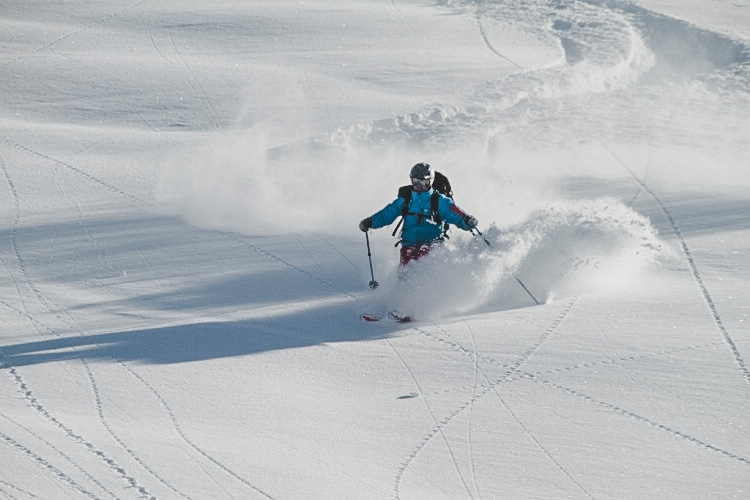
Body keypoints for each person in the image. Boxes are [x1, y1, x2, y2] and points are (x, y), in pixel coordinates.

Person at [359, 162, 478, 277]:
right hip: (408, 243)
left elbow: (455, 214)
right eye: (415, 182)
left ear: (430, 182)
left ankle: (429, 290)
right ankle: (404, 292)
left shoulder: (440, 201)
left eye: (424, 183)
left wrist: (467, 221)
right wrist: (371, 221)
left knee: (424, 256)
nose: (419, 186)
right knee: (406, 268)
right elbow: (388, 213)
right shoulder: (406, 200)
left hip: (432, 243)